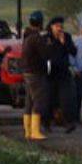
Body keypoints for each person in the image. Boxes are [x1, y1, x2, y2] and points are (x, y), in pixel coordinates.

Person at [20, 11, 50, 141]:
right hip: (36, 72)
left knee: (29, 101)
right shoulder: (37, 38)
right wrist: (48, 42)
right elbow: (46, 54)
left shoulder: (27, 36)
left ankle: (27, 130)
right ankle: (35, 131)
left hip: (27, 72)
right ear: (40, 23)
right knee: (38, 100)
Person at [45, 17, 77, 133]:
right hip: (51, 72)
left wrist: (64, 43)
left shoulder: (67, 37)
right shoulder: (47, 38)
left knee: (65, 99)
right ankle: (46, 123)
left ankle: (68, 123)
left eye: (61, 26)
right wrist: (56, 42)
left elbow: (73, 51)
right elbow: (47, 52)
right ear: (52, 27)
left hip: (64, 71)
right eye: (57, 26)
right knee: (50, 99)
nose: (60, 28)